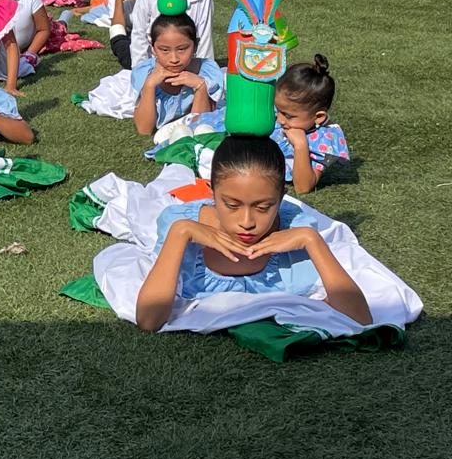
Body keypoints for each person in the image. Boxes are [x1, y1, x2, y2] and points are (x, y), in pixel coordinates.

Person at [134, 134, 371, 332]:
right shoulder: (180, 227)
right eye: (232, 205)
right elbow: (148, 320)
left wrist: (312, 240)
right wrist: (180, 232)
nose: (246, 222)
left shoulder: (296, 231)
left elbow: (360, 317)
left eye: (263, 207)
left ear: (281, 198)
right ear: (211, 191)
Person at [274, 56, 349, 194]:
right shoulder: (276, 117)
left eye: (288, 115)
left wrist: (301, 145)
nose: (279, 119)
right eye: (277, 109)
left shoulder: (323, 140)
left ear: (318, 117)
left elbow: (303, 188)